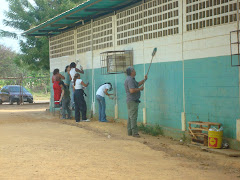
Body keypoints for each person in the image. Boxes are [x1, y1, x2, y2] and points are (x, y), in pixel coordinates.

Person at [124, 66, 147, 138]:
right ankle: (134, 132)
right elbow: (132, 90)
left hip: (130, 100)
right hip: (132, 100)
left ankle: (130, 131)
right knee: (133, 117)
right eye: (134, 70)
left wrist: (145, 79)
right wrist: (140, 89)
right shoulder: (130, 80)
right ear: (131, 72)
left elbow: (138, 84)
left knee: (130, 117)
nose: (135, 71)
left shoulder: (130, 79)